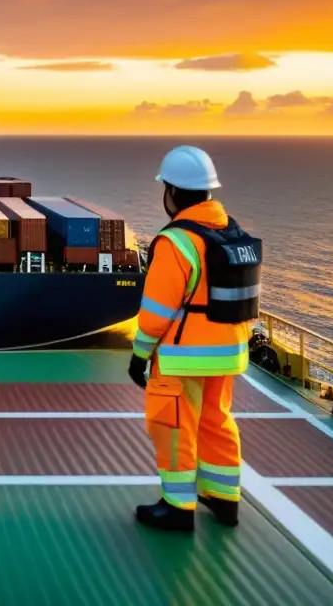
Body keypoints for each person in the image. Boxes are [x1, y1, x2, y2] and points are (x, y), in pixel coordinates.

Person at [128, 146, 262, 531]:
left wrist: (140, 355)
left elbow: (156, 313)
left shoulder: (176, 242)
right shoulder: (230, 231)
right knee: (216, 422)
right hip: (228, 353)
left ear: (170, 191)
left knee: (173, 428)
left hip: (183, 357)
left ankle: (177, 507)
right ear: (207, 191)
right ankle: (224, 499)